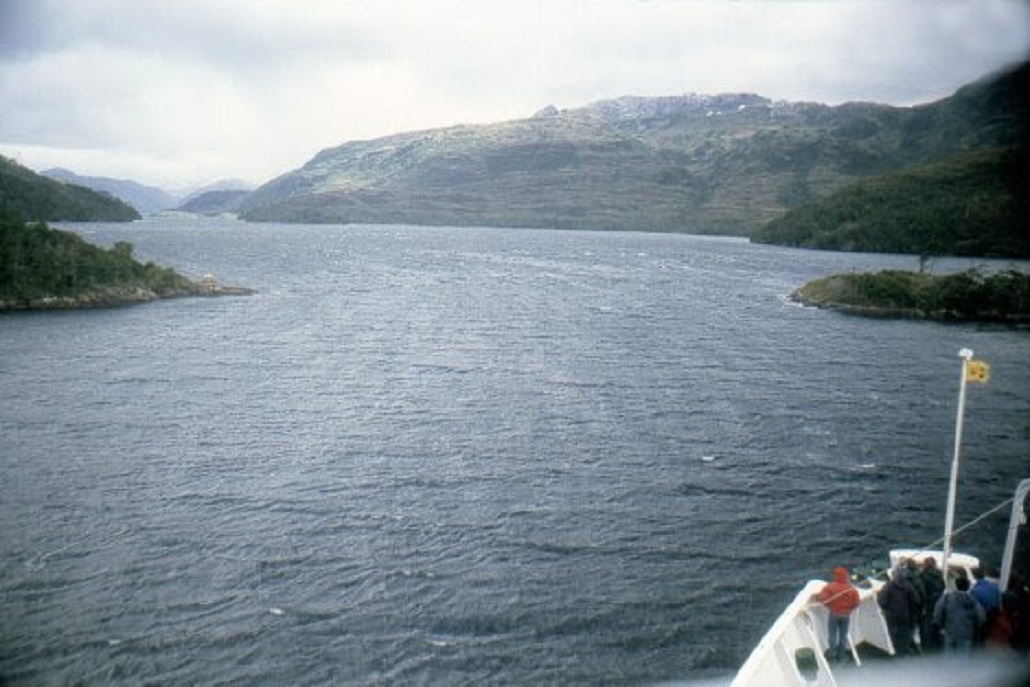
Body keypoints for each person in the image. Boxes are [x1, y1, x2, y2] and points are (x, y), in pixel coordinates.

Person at [816, 566, 862, 662]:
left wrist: (830, 606)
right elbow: (856, 603)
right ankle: (841, 656)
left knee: (832, 636)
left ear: (836, 576)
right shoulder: (852, 589)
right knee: (843, 636)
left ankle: (832, 655)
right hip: (846, 616)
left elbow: (822, 599)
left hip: (834, 614)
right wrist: (848, 610)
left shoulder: (830, 587)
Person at [934, 576, 986, 655]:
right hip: (966, 634)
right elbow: (981, 617)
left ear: (956, 585)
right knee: (962, 660)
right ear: (968, 587)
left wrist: (940, 625)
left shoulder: (947, 598)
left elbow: (938, 612)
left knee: (948, 658)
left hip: (950, 632)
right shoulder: (972, 600)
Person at [877, 566, 921, 655]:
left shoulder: (888, 586)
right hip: (905, 615)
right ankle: (904, 652)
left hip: (891, 616)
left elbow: (881, 600)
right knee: (904, 635)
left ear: (893, 575)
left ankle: (896, 652)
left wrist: (886, 609)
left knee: (893, 635)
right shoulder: (909, 586)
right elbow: (917, 600)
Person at [919, 557, 946, 651]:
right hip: (938, 601)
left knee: (926, 624)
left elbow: (922, 591)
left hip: (928, 602)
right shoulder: (939, 575)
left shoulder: (923, 575)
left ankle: (927, 646)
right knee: (937, 622)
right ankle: (937, 642)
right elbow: (943, 587)